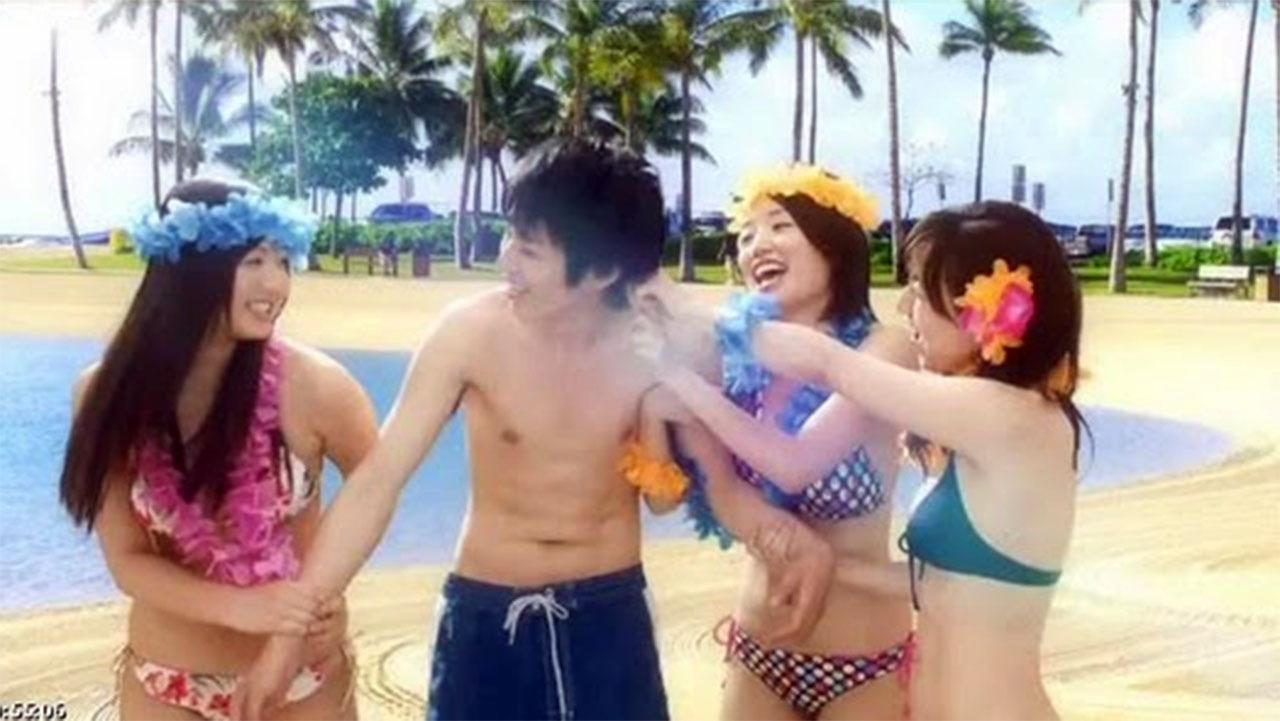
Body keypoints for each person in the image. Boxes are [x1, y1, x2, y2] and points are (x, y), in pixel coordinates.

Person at [233, 140, 835, 721]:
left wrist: (789, 538)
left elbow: (721, 471)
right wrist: (290, 633)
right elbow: (378, 481)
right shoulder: (470, 333)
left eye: (529, 250)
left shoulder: (663, 342)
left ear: (602, 271)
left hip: (608, 617)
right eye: (509, 236)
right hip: (486, 618)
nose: (506, 262)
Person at [650, 201, 1084, 719]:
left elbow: (827, 364)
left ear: (984, 304)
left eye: (920, 287)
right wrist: (822, 562)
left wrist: (676, 314)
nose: (904, 305)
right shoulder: (992, 427)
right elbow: (945, 588)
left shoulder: (1010, 415)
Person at [59, 179, 379, 720]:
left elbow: (378, 488)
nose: (276, 283)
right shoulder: (107, 393)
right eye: (254, 261)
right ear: (190, 269)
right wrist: (243, 607)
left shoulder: (318, 387)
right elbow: (127, 558)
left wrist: (315, 599)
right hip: (168, 676)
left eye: (283, 261)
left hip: (301, 677)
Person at [638, 165, 917, 720]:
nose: (757, 245)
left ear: (834, 244)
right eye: (746, 236)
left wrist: (682, 381)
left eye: (780, 226)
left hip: (863, 657)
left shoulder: (885, 349)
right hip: (758, 648)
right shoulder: (727, 365)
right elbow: (708, 490)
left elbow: (796, 466)